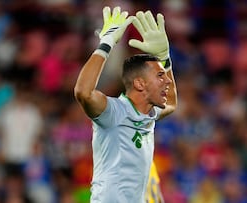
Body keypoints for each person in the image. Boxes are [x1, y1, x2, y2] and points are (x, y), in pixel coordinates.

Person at [74, 6, 177, 203]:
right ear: (139, 83)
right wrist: (106, 43)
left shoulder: (149, 115)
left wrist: (165, 58)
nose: (167, 81)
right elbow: (83, 92)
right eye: (159, 76)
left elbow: (171, 103)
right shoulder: (114, 111)